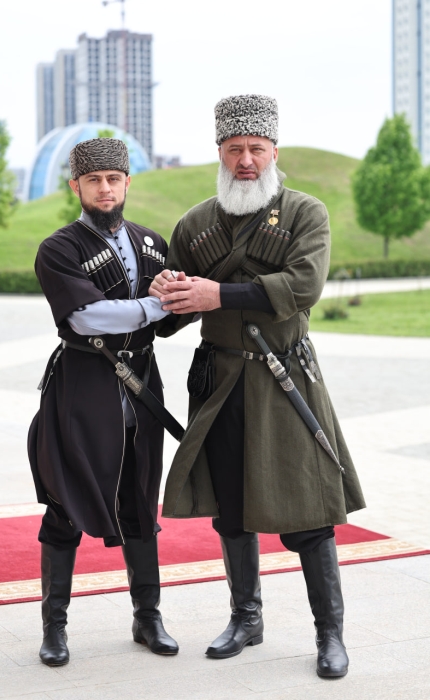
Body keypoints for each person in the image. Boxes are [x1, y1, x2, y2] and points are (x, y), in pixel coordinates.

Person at [150, 95, 366, 679]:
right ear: (219, 152)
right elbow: (172, 318)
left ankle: (330, 635)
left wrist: (215, 293)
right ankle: (246, 619)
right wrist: (165, 291)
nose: (245, 160)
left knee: (309, 510)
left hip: (284, 378)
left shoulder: (305, 213)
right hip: (220, 381)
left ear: (274, 151)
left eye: (256, 148)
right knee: (231, 508)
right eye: (234, 149)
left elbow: (303, 287)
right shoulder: (194, 225)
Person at [28, 138, 179, 666]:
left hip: (143, 382)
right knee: (65, 502)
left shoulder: (152, 243)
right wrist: (155, 306)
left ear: (127, 182)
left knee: (140, 498)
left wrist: (180, 295)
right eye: (94, 180)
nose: (105, 188)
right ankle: (54, 628)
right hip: (82, 386)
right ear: (76, 186)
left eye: (114, 178)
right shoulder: (59, 248)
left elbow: (172, 317)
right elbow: (85, 317)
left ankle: (148, 618)